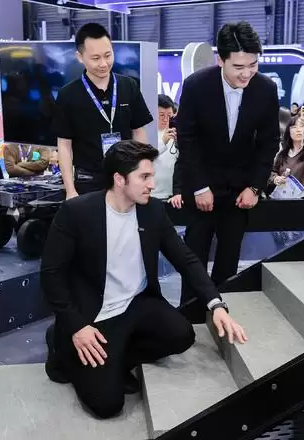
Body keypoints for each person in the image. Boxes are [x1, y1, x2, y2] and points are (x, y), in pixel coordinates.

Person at [40, 140, 248, 419]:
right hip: (94, 313)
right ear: (119, 179)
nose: (152, 184)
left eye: (152, 176)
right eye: (144, 177)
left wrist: (216, 305)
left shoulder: (152, 211)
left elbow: (185, 259)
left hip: (137, 303)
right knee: (107, 404)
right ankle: (60, 345)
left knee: (181, 334)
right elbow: (51, 274)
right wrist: (76, 326)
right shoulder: (77, 212)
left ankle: (116, 360)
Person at [177, 21, 279, 322]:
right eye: (238, 67)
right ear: (220, 60)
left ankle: (221, 320)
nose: (246, 73)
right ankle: (190, 319)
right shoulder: (196, 86)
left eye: (253, 65)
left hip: (239, 191)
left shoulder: (266, 89)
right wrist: (199, 187)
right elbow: (187, 139)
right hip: (201, 188)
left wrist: (255, 187)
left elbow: (269, 142)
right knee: (194, 257)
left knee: (229, 259)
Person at [53, 23, 153, 199]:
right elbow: (64, 145)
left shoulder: (128, 85)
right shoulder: (68, 94)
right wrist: (70, 190)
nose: (103, 64)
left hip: (125, 178)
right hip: (88, 181)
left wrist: (142, 174)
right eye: (95, 58)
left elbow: (139, 131)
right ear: (80, 57)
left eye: (108, 55)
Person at [268, 111, 304, 198]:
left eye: (302, 126)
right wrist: (276, 178)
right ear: (288, 131)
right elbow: (272, 172)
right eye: (294, 127)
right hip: (283, 200)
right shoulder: (282, 154)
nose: (298, 130)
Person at [153, 94, 179, 200]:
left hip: (173, 194)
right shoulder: (146, 133)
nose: (165, 119)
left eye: (169, 116)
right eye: (161, 115)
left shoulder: (176, 133)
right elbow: (145, 156)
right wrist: (163, 142)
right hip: (152, 194)